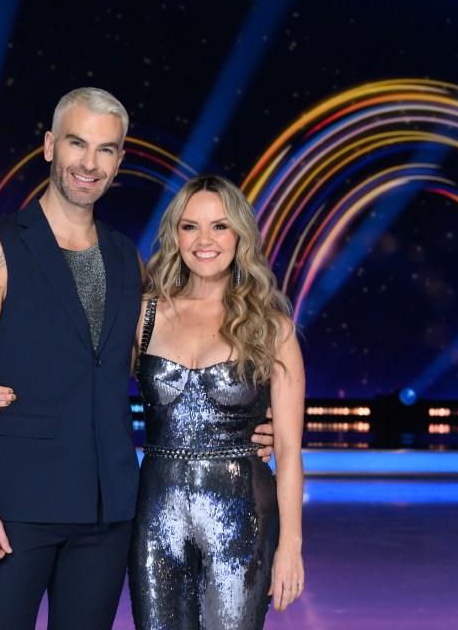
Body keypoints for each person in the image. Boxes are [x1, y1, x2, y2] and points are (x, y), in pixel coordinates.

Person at [0, 88, 275, 629]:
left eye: (106, 149)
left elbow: (144, 362)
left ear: (120, 160)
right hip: (16, 505)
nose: (89, 163)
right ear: (50, 146)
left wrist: (249, 425)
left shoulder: (126, 256)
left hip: (108, 511)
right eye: (77, 143)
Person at [130, 174, 304, 628]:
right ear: (175, 235)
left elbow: (287, 450)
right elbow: (82, 382)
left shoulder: (272, 327)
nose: (204, 240)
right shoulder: (144, 314)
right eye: (190, 227)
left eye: (220, 227)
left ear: (240, 235)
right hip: (154, 517)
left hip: (241, 516)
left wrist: (291, 547)